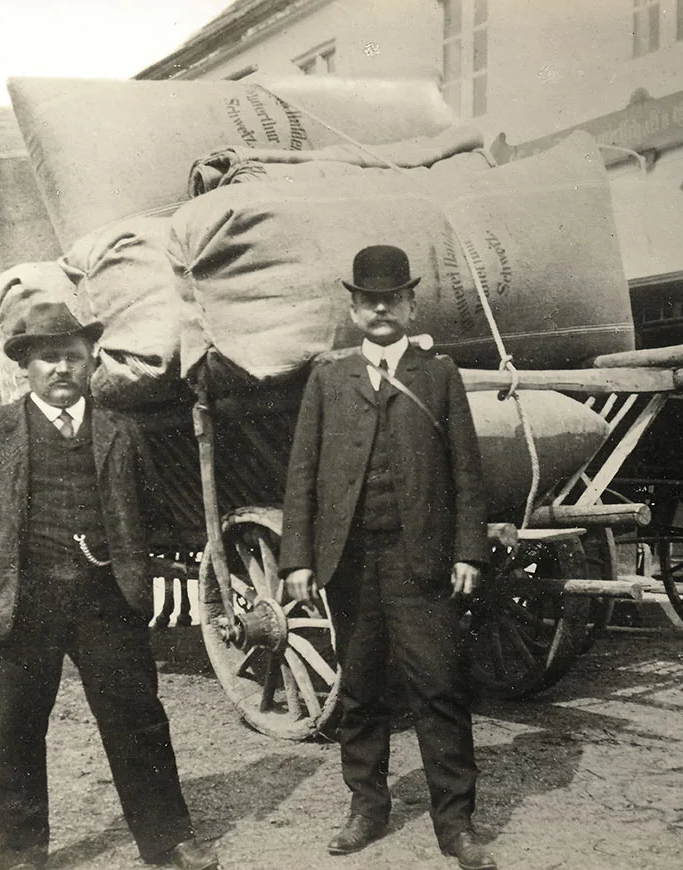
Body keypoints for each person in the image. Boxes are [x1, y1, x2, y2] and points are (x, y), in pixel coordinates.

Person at [0, 302, 219, 870]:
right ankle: (20, 854)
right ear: (26, 367)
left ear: (91, 362)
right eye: (48, 358)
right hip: (21, 605)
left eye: (73, 356)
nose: (61, 368)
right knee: (17, 729)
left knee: (137, 718)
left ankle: (168, 840)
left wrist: (120, 559)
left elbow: (151, 509)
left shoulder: (121, 432)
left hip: (105, 602)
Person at [280, 245, 498, 870]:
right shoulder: (328, 378)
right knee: (362, 688)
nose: (380, 308)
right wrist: (298, 557)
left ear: (409, 305)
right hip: (349, 561)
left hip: (419, 558)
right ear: (353, 310)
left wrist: (468, 552)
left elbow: (467, 473)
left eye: (393, 298)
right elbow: (302, 476)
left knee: (439, 688)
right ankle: (366, 808)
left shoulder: (439, 375)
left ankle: (455, 825)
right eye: (368, 300)